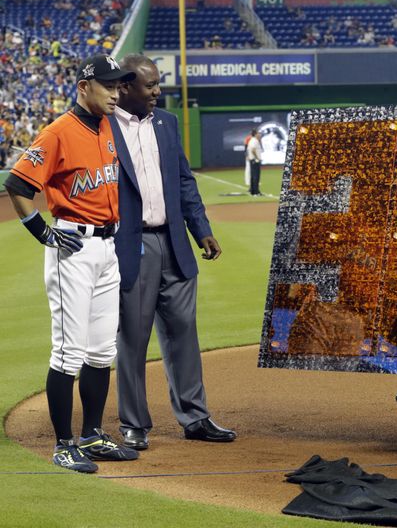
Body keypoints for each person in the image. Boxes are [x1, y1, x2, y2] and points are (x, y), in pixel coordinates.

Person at [3, 54, 139, 473]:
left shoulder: (108, 126)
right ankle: (64, 443)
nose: (117, 92)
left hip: (107, 248)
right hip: (72, 250)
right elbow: (17, 183)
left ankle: (92, 434)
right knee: (68, 353)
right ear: (84, 87)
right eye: (109, 85)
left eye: (119, 85)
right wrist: (42, 231)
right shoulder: (58, 132)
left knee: (101, 351)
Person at [109, 55, 236, 449]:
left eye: (158, 84)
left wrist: (202, 230)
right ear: (126, 87)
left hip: (174, 242)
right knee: (132, 337)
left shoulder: (167, 123)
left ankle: (194, 417)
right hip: (132, 243)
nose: (157, 92)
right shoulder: (104, 126)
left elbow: (184, 181)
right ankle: (133, 422)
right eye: (150, 86)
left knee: (183, 333)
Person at [246, 128, 263, 196]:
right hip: (255, 160)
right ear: (255, 134)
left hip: (252, 160)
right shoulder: (255, 141)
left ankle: (252, 191)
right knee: (256, 176)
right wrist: (257, 158)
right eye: (258, 133)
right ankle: (256, 192)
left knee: (253, 176)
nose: (259, 134)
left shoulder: (252, 140)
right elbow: (253, 150)